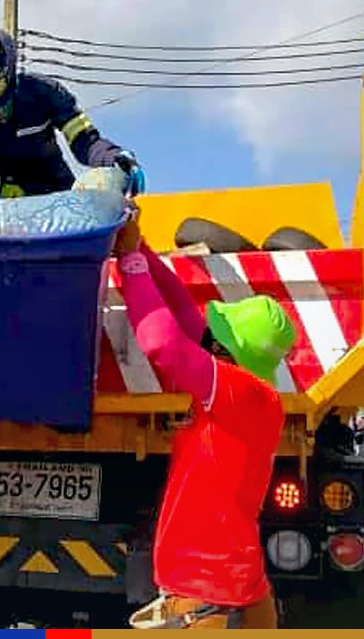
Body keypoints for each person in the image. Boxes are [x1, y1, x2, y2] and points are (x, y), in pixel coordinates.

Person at [110, 204, 296, 630]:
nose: (208, 338)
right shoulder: (249, 394)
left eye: (218, 338)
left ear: (229, 353)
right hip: (230, 590)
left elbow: (162, 343)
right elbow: (181, 309)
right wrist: (140, 248)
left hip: (210, 596)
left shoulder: (240, 393)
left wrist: (132, 263)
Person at [0, 25, 144, 198]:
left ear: (8, 72)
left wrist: (114, 158)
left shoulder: (46, 93)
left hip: (53, 196)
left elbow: (85, 142)